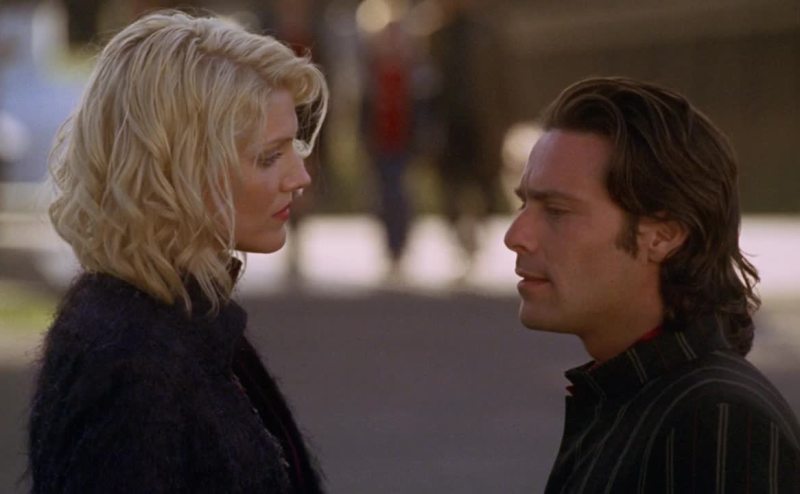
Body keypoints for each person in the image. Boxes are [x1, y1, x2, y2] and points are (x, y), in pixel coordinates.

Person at [27, 11, 328, 493]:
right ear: (178, 168)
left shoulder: (179, 318)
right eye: (269, 156)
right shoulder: (130, 360)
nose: (300, 176)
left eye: (294, 145)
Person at [504, 77, 800, 492]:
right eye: (524, 204)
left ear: (663, 235)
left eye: (556, 211)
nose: (516, 236)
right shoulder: (626, 394)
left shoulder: (715, 421)